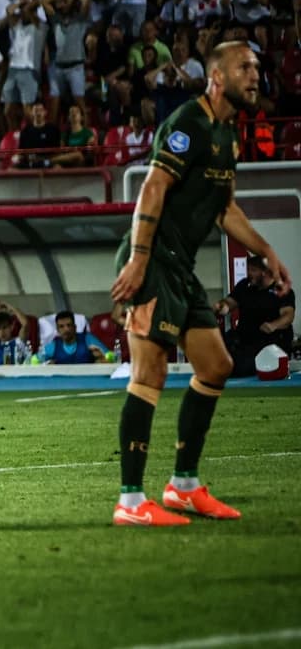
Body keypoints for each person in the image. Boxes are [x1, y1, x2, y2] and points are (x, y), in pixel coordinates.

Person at [110, 41, 293, 526]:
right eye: (244, 67)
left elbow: (224, 208)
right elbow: (152, 186)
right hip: (153, 260)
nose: (256, 74)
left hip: (180, 266)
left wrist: (266, 249)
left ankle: (183, 486)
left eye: (258, 66)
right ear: (217, 76)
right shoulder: (188, 123)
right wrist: (138, 259)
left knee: (216, 365)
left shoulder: (228, 136)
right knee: (148, 372)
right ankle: (130, 502)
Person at [216, 256, 296, 377]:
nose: (249, 274)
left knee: (242, 367)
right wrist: (222, 306)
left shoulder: (281, 290)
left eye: (253, 270)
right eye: (248, 270)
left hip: (269, 343)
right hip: (244, 340)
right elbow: (230, 302)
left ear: (265, 272)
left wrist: (273, 325)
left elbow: (288, 315)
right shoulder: (245, 285)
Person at [40, 310, 108, 363]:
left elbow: (112, 357)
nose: (66, 329)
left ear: (75, 327)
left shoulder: (88, 339)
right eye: (61, 327)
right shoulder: (53, 346)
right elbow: (35, 361)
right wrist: (47, 364)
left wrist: (101, 358)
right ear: (58, 330)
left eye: (69, 325)